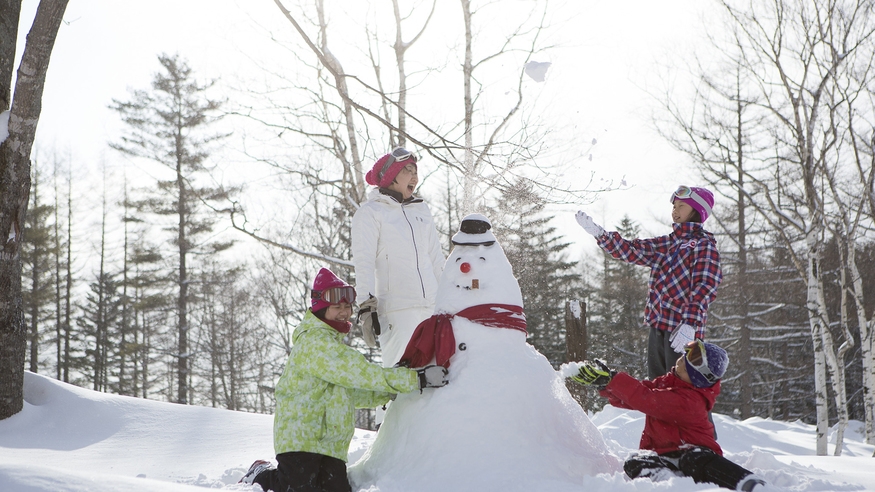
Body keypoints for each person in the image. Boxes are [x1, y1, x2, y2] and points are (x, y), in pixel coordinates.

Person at [239, 267, 449, 492]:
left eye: (347, 307)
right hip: (301, 439)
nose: (344, 312)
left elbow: (348, 393)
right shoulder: (315, 342)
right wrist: (413, 379)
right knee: (297, 488)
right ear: (321, 309)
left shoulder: (332, 345)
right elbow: (361, 373)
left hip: (331, 445)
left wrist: (387, 392)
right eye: (337, 307)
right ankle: (260, 474)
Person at [567, 341, 767, 491]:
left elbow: (646, 399)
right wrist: (607, 385)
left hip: (695, 452)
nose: (682, 357)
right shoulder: (670, 382)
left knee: (695, 460)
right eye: (684, 355)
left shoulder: (690, 401)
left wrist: (614, 380)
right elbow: (638, 393)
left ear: (697, 376)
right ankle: (667, 484)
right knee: (635, 462)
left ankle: (746, 482)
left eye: (690, 360)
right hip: (662, 456)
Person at [575, 185, 722, 379]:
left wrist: (690, 323)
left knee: (685, 388)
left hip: (683, 331)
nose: (675, 211)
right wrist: (601, 235)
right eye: (674, 206)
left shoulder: (703, 246)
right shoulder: (666, 244)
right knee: (659, 385)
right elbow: (631, 250)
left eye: (681, 206)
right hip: (658, 326)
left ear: (697, 211)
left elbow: (705, 286)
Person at [351, 147, 445, 368]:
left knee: (435, 379)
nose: (415, 176)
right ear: (392, 176)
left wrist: (448, 299)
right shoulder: (371, 213)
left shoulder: (421, 210)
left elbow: (436, 258)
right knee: (400, 381)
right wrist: (365, 304)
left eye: (416, 171)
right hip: (397, 311)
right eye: (408, 170)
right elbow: (363, 261)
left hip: (432, 308)